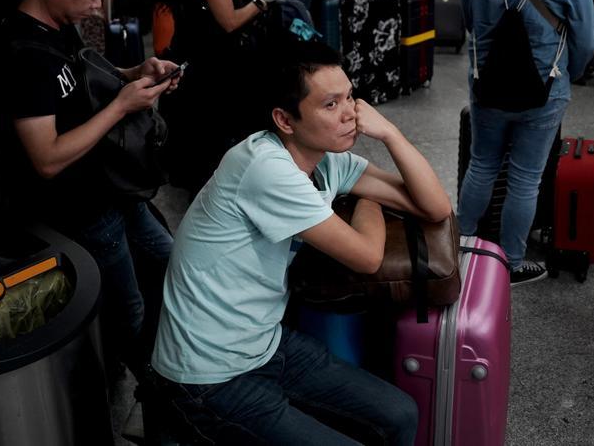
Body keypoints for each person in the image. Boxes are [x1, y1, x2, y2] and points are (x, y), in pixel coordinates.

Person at [151, 40, 448, 444]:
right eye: (330, 105)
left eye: (350, 97)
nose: (350, 115)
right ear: (285, 120)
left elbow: (435, 207)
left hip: (264, 344)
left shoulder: (325, 158)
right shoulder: (264, 167)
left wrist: (391, 133)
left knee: (399, 414)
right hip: (208, 375)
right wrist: (367, 197)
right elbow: (366, 257)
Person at [1, 0, 179, 383]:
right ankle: (162, 400)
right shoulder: (24, 54)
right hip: (81, 209)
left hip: (112, 190)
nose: (99, 6)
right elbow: (47, 157)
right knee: (131, 312)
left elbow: (84, 83)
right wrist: (122, 106)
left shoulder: (60, 26)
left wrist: (136, 72)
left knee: (174, 264)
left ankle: (183, 367)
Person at [458, 0, 594, 285]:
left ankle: (460, 247)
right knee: (525, 177)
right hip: (545, 87)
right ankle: (512, 262)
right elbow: (587, 39)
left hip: (488, 83)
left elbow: (468, 16)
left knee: (481, 164)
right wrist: (564, 77)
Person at [150, 0, 268, 190]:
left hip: (186, 52)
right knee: (215, 138)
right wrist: (259, 4)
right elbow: (229, 20)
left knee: (194, 135)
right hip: (214, 58)